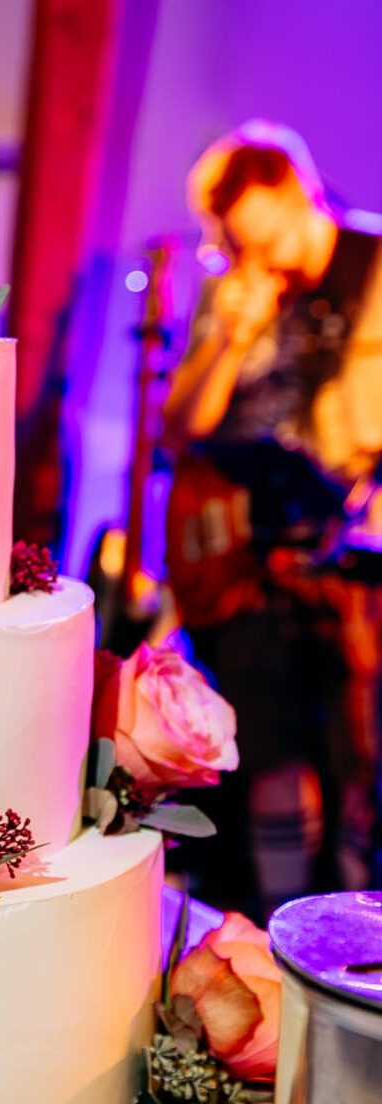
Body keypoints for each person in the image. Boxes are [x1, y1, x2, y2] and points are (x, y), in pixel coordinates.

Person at [163, 122, 382, 915]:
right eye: (244, 248)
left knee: (356, 761)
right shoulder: (239, 294)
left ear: (303, 196)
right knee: (267, 748)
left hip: (351, 560)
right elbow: (180, 427)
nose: (268, 263)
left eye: (272, 238)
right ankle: (278, 921)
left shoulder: (373, 268)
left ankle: (353, 921)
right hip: (248, 568)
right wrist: (230, 337)